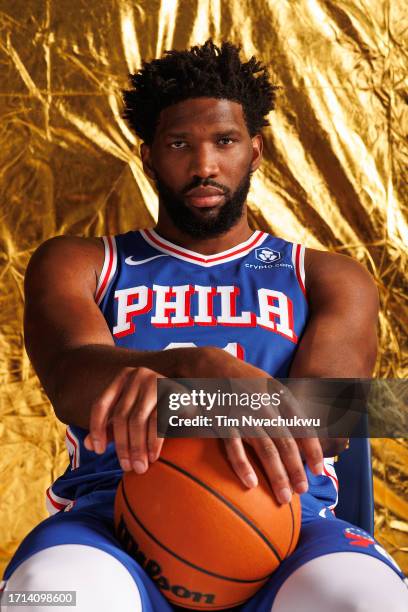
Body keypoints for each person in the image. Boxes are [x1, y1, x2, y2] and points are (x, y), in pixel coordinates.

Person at [1, 39, 407, 612]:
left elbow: (329, 419)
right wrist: (197, 364)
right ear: (147, 156)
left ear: (256, 150)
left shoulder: (326, 276)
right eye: (178, 144)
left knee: (371, 603)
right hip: (111, 520)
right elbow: (74, 387)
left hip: (289, 525)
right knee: (44, 599)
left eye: (224, 141)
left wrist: (163, 395)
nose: (204, 166)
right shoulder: (81, 262)